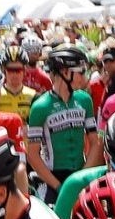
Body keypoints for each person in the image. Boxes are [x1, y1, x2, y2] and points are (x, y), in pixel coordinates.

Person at [24, 45, 100, 203]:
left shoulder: (84, 100)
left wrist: (82, 178)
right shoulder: (40, 107)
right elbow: (32, 154)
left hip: (80, 175)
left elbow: (95, 143)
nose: (84, 77)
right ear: (65, 72)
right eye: (81, 72)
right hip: (52, 178)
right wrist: (59, 187)